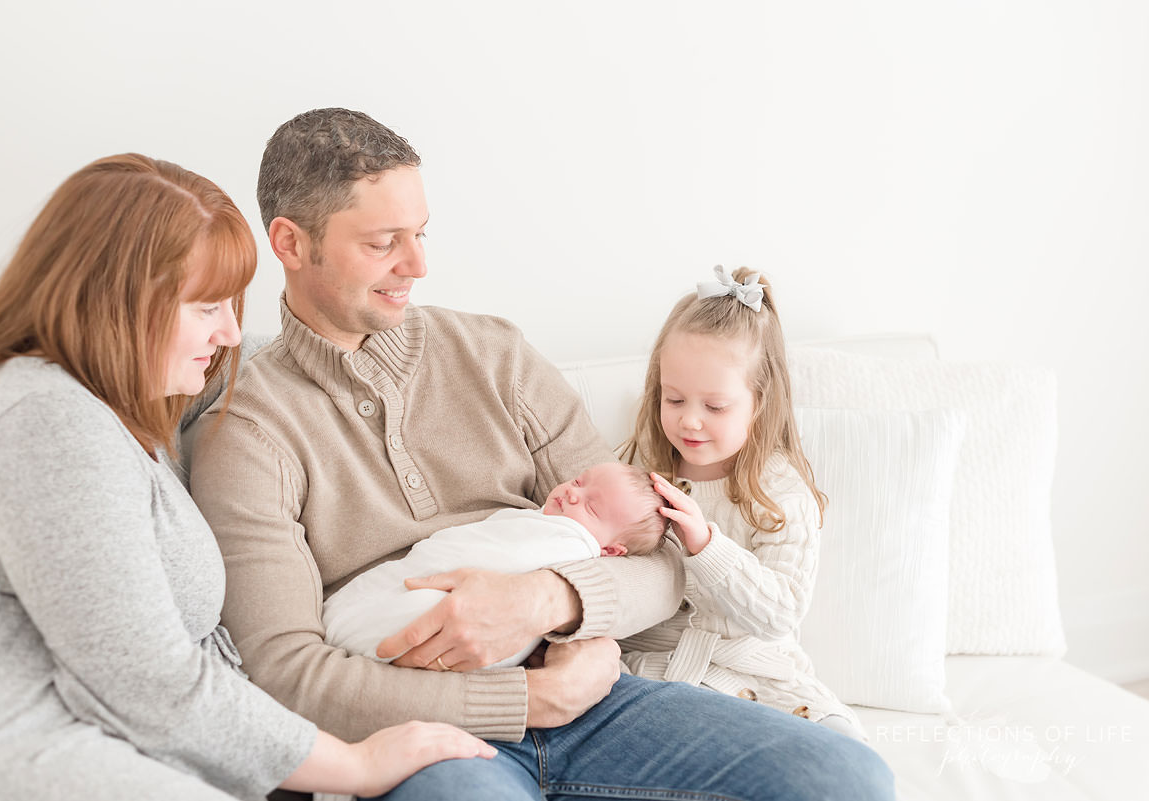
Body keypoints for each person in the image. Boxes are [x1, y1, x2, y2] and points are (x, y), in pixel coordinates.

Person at [186, 108, 894, 800]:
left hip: (593, 698)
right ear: (289, 242)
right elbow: (288, 674)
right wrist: (524, 697)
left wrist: (548, 598)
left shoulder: (493, 353)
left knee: (849, 778)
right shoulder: (245, 430)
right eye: (384, 242)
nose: (419, 264)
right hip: (428, 733)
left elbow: (660, 559)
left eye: (422, 233)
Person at [0, 154, 495, 801]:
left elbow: (282, 353)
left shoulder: (111, 408)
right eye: (208, 307)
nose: (231, 332)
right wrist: (357, 762)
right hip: (38, 759)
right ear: (114, 305)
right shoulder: (47, 424)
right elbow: (148, 684)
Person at [620, 265, 866, 740]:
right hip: (654, 670)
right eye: (674, 400)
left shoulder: (779, 497)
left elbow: (780, 614)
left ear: (760, 402)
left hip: (756, 675)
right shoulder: (636, 467)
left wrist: (707, 546)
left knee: (841, 739)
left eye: (714, 407)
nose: (690, 421)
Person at [324, 462, 667, 669]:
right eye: (579, 481)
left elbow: (666, 568)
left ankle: (355, 635)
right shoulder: (536, 518)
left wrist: (543, 599)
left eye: (592, 508)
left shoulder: (572, 544)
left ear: (609, 550)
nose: (573, 494)